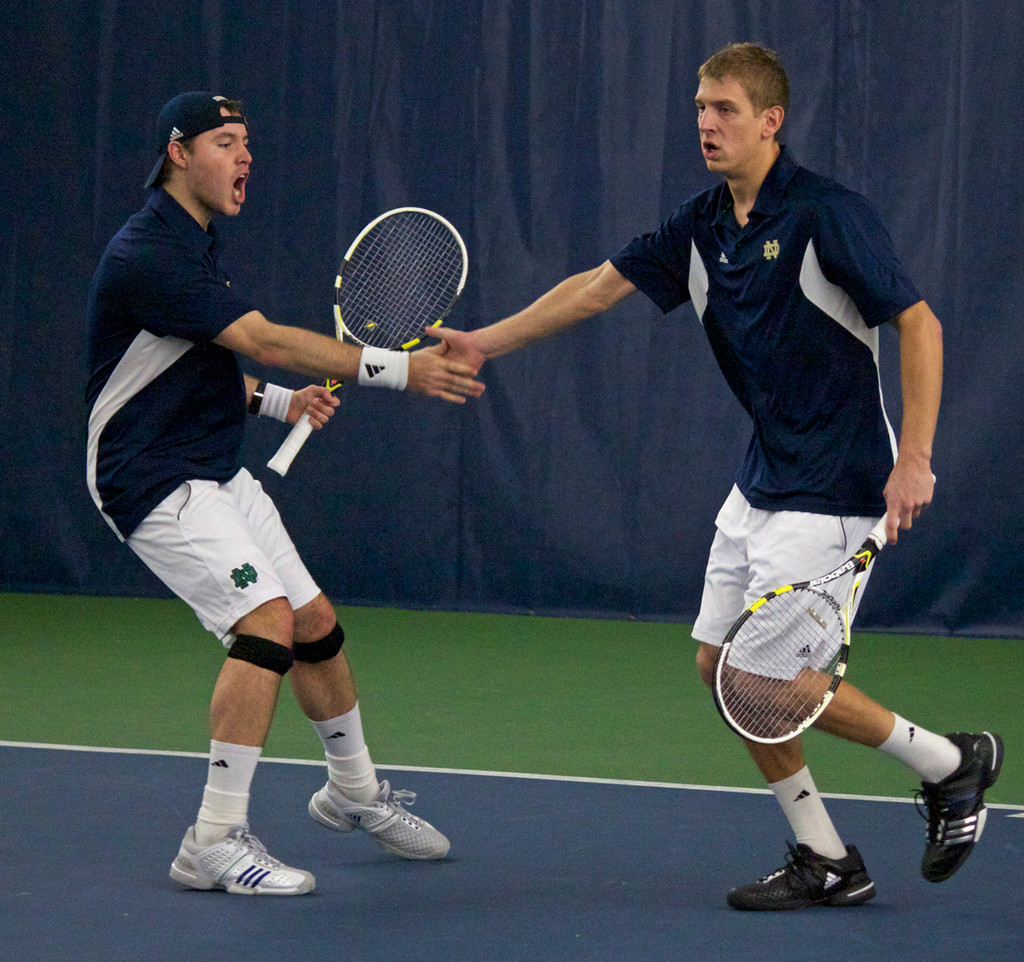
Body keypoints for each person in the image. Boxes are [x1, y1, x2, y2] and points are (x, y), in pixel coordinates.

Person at [434, 44, 1003, 910]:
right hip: (763, 478)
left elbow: (917, 325)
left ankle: (949, 764)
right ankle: (827, 857)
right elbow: (595, 288)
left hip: (840, 486)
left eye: (725, 109)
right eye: (700, 106)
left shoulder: (826, 215)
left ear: (771, 121)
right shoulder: (700, 224)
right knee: (717, 667)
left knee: (763, 683)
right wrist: (486, 342)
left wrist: (915, 457)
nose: (705, 122)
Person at [86, 92, 485, 895]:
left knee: (313, 623)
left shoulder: (195, 245)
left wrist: (281, 403)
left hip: (211, 464)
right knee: (265, 623)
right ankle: (212, 839)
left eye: (247, 144)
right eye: (227, 143)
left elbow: (201, 364)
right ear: (178, 154)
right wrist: (401, 370)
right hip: (151, 476)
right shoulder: (151, 253)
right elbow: (261, 339)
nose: (246, 158)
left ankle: (354, 793)